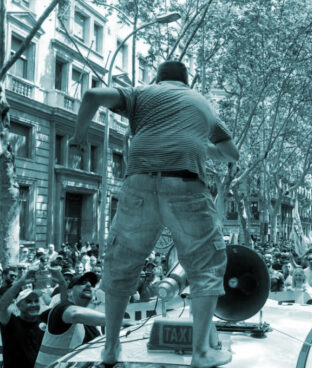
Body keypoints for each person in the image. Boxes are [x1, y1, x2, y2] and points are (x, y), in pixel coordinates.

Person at [72, 61, 238, 367]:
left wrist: (79, 136)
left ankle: (110, 348)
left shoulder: (142, 93)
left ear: (157, 79)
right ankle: (201, 353)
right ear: (187, 83)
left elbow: (92, 95)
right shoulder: (203, 105)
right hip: (187, 184)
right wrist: (203, 147)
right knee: (205, 266)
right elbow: (231, 153)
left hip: (139, 181)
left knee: (122, 264)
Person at [34, 272, 133, 367]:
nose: (89, 284)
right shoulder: (60, 308)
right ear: (69, 292)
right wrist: (121, 321)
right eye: (82, 283)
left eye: (91, 283)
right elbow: (74, 313)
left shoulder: (91, 327)